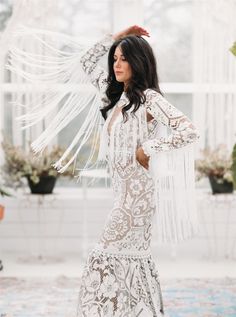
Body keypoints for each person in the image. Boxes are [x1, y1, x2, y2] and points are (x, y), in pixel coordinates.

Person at [76, 25, 200, 317]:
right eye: (115, 58)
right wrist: (116, 36)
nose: (117, 64)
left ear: (138, 62)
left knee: (102, 257)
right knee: (122, 260)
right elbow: (85, 61)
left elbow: (189, 130)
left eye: (124, 58)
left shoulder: (149, 99)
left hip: (138, 199)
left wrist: (149, 149)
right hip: (122, 196)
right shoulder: (116, 98)